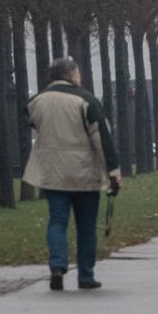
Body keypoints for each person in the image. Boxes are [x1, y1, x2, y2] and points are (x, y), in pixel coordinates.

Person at [23, 55, 120, 292]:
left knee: (57, 221)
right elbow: (102, 139)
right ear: (74, 73)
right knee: (86, 226)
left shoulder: (36, 101)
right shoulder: (87, 101)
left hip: (52, 172)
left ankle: (57, 265)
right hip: (84, 174)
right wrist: (113, 171)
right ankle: (85, 275)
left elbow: (31, 122)